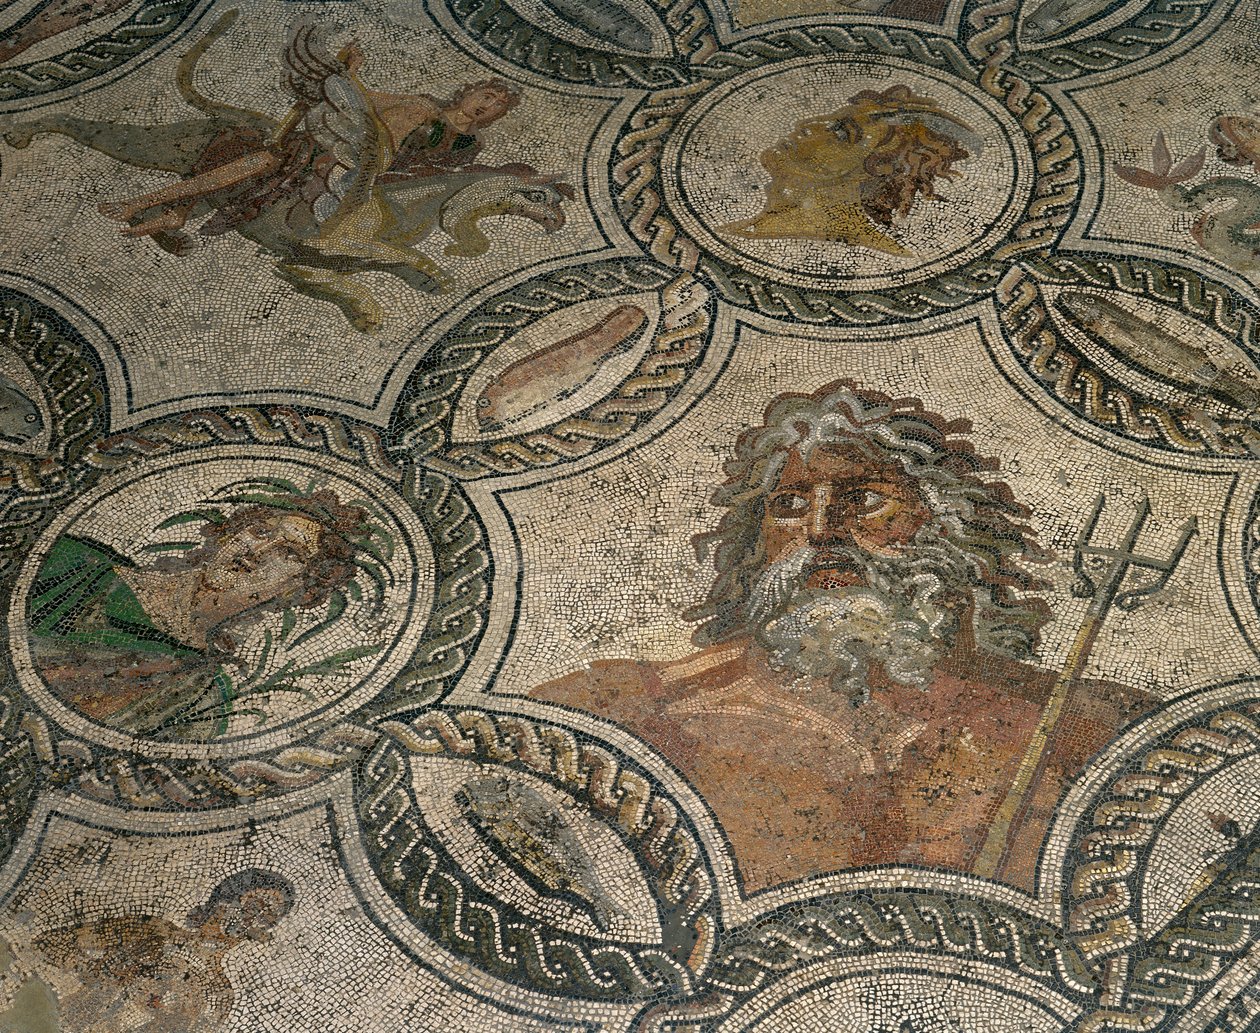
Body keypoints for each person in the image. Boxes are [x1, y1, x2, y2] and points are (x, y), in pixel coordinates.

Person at [532, 381, 1154, 893]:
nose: (822, 530)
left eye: (864, 499)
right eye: (790, 505)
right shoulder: (630, 710)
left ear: (950, 527)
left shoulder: (1083, 721)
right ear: (755, 544)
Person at [27, 481, 387, 740]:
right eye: (261, 531)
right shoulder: (75, 565)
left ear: (299, 590)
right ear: (228, 534)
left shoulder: (199, 695)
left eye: (288, 553)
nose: (258, 552)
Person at [96, 33, 521, 242]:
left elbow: (431, 178)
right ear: (469, 92)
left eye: (497, 106)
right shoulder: (422, 103)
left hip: (365, 174)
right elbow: (364, 99)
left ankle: (166, 208)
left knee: (273, 167)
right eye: (486, 95)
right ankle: (166, 207)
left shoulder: (469, 146)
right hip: (337, 144)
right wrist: (351, 70)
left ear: (497, 118)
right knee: (258, 157)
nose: (487, 105)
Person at [721, 85, 980, 256]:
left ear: (878, 167)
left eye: (843, 133)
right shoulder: (756, 228)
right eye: (831, 119)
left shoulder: (870, 249)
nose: (808, 125)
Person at [26, 869, 294, 1033]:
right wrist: (106, 971)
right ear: (223, 901)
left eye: (265, 919)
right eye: (253, 907)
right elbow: (48, 947)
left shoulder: (219, 994)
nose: (251, 920)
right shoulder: (152, 931)